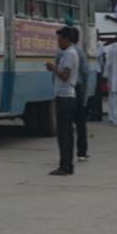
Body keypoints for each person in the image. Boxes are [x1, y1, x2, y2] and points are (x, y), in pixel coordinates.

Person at [45, 27, 79, 176]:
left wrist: (54, 68)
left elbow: (65, 76)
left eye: (60, 39)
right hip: (65, 95)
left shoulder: (70, 54)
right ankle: (67, 164)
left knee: (64, 134)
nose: (58, 42)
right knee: (67, 133)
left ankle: (65, 166)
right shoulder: (68, 53)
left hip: (65, 96)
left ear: (67, 39)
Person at [69, 26, 90, 162]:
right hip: (78, 88)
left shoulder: (65, 52)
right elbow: (86, 72)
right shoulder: (80, 52)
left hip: (68, 90)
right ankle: (82, 151)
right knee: (80, 123)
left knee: (67, 123)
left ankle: (67, 152)